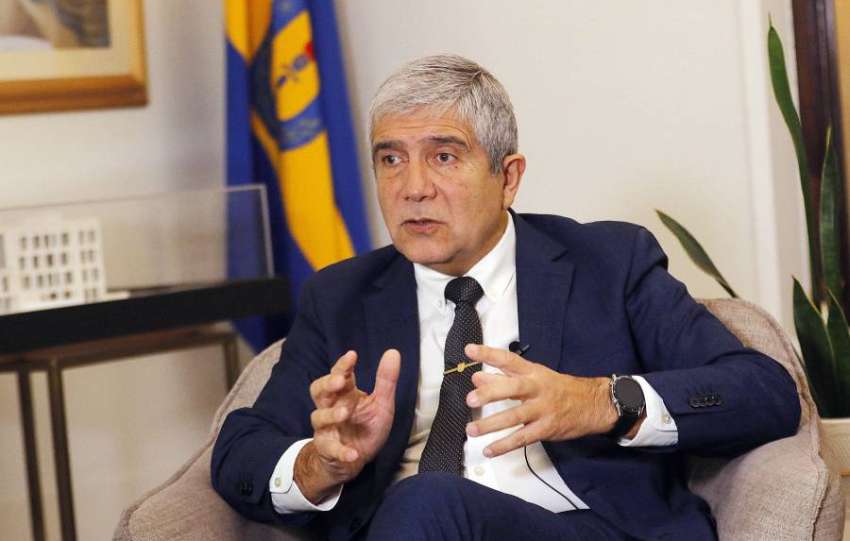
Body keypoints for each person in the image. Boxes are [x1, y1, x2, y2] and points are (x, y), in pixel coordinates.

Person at [212, 55, 800, 541]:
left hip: (583, 527)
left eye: (444, 157)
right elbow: (240, 450)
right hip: (408, 527)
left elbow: (765, 393)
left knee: (427, 501)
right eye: (391, 159)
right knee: (421, 504)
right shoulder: (341, 295)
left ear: (508, 177)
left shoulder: (608, 262)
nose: (413, 188)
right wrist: (321, 464)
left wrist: (602, 401)